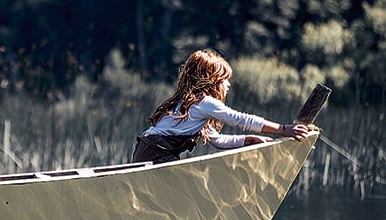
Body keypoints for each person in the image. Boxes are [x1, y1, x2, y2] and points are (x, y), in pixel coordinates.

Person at [131, 48, 310, 164]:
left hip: (145, 151)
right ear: (212, 81)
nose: (228, 85)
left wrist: (248, 140)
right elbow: (241, 119)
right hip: (156, 154)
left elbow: (218, 141)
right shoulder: (204, 102)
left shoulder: (192, 106)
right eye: (225, 80)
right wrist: (284, 129)